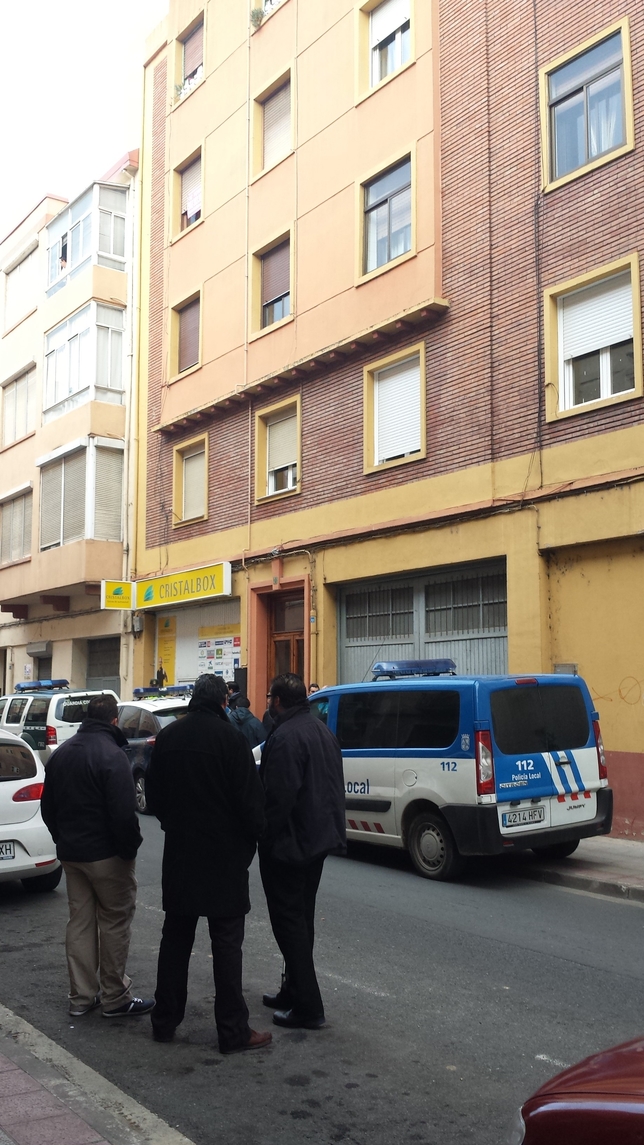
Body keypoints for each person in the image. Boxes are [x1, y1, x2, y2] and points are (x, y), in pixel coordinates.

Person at [145, 673, 271, 1054]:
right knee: (227, 946)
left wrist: (175, 825)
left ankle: (164, 1021)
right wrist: (249, 843)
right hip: (224, 859)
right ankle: (232, 1031)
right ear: (223, 702)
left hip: (182, 855)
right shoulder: (232, 740)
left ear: (192, 700)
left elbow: (154, 798)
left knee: (176, 940)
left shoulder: (169, 738)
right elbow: (252, 806)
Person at [40, 695, 154, 1018]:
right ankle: (115, 995)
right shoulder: (113, 756)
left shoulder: (62, 755)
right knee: (115, 921)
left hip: (72, 854)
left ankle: (81, 996)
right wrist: (128, 849)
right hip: (106, 855)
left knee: (80, 922)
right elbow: (122, 814)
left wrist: (61, 839)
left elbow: (48, 807)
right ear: (114, 721)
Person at [259, 673, 346, 1030]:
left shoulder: (285, 736)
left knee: (289, 923)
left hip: (292, 845)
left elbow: (278, 799)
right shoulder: (320, 730)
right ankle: (293, 988)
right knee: (302, 919)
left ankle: (308, 1004)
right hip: (318, 840)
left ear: (278, 701)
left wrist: (263, 837)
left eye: (269, 698)